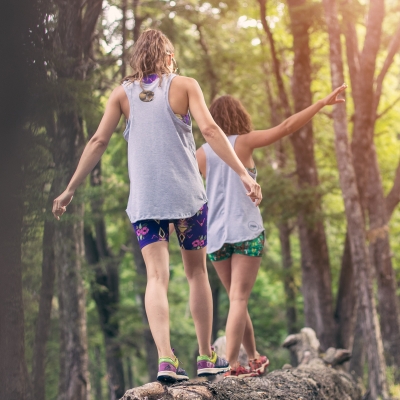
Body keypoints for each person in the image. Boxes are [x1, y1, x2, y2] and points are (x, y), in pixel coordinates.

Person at [52, 29, 262, 383]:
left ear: (138, 58)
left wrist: (70, 188)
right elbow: (211, 130)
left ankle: (166, 359)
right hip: (186, 199)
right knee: (196, 273)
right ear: (168, 56)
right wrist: (243, 174)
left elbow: (98, 140)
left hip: (146, 201)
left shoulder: (122, 94)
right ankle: (205, 355)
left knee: (155, 277)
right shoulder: (184, 85)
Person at [196, 84, 347, 377]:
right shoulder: (245, 142)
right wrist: (321, 103)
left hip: (214, 237)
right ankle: (233, 366)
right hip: (247, 231)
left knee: (236, 299)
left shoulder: (200, 154)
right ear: (239, 117)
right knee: (239, 299)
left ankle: (252, 356)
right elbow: (287, 126)